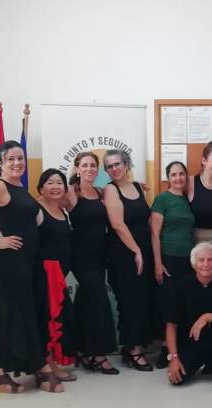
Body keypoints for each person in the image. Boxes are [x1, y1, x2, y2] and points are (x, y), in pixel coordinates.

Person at [0, 140, 63, 393]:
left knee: (26, 312)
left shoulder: (20, 188)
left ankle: (33, 365)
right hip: (9, 262)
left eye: (21, 158)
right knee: (14, 313)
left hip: (26, 261)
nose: (17, 163)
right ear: (0, 162)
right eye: (11, 159)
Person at [66, 152, 119, 375]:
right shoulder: (71, 192)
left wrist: (136, 186)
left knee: (85, 302)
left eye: (93, 165)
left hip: (100, 255)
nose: (89, 168)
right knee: (99, 302)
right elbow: (44, 203)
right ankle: (98, 355)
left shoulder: (99, 192)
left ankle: (81, 350)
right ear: (77, 169)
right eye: (85, 165)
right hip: (81, 257)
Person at [103, 149, 156, 371]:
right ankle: (134, 350)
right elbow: (117, 224)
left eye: (117, 164)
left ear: (126, 164)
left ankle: (136, 346)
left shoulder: (138, 187)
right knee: (130, 301)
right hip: (124, 253)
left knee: (143, 300)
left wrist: (145, 251)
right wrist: (136, 251)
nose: (114, 169)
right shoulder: (110, 190)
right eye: (109, 166)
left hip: (143, 250)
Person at [166, 242, 212, 389]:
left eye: (210, 259)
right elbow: (171, 325)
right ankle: (206, 361)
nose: (206, 264)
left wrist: (207, 317)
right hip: (192, 343)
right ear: (194, 264)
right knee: (176, 379)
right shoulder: (182, 286)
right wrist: (173, 358)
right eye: (201, 260)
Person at [151, 161, 195, 368]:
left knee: (183, 304)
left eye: (181, 174)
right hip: (168, 258)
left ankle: (180, 347)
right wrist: (158, 263)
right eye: (174, 174)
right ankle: (165, 350)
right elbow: (154, 233)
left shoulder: (187, 199)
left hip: (187, 260)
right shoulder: (162, 199)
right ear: (168, 178)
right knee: (168, 305)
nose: (178, 178)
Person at [35, 169, 77, 382]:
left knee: (61, 317)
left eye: (59, 183)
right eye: (50, 183)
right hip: (46, 273)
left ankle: (53, 363)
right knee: (50, 319)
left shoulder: (62, 210)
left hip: (61, 273)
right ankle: (48, 367)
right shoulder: (36, 210)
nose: (55, 187)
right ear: (41, 187)